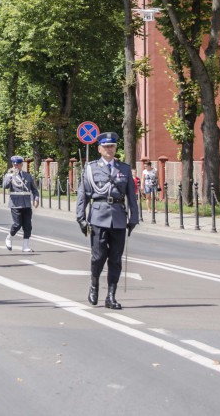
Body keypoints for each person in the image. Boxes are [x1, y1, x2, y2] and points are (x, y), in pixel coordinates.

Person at [75, 132, 139, 310]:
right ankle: (94, 285)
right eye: (106, 146)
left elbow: (131, 196)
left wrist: (134, 217)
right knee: (98, 257)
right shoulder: (91, 168)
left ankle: (111, 296)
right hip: (98, 216)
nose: (109, 149)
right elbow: (83, 195)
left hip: (118, 217)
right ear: (99, 149)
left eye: (112, 146)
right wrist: (80, 217)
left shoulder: (124, 169)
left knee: (116, 259)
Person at [3, 156, 39, 253]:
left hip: (26, 203)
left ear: (21, 164)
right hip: (15, 203)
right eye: (14, 164)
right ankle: (9, 237)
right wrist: (10, 176)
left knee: (27, 225)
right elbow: (4, 186)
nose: (15, 166)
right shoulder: (9, 175)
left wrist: (36, 199)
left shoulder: (27, 176)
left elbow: (34, 189)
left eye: (18, 164)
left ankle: (25, 246)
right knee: (17, 224)